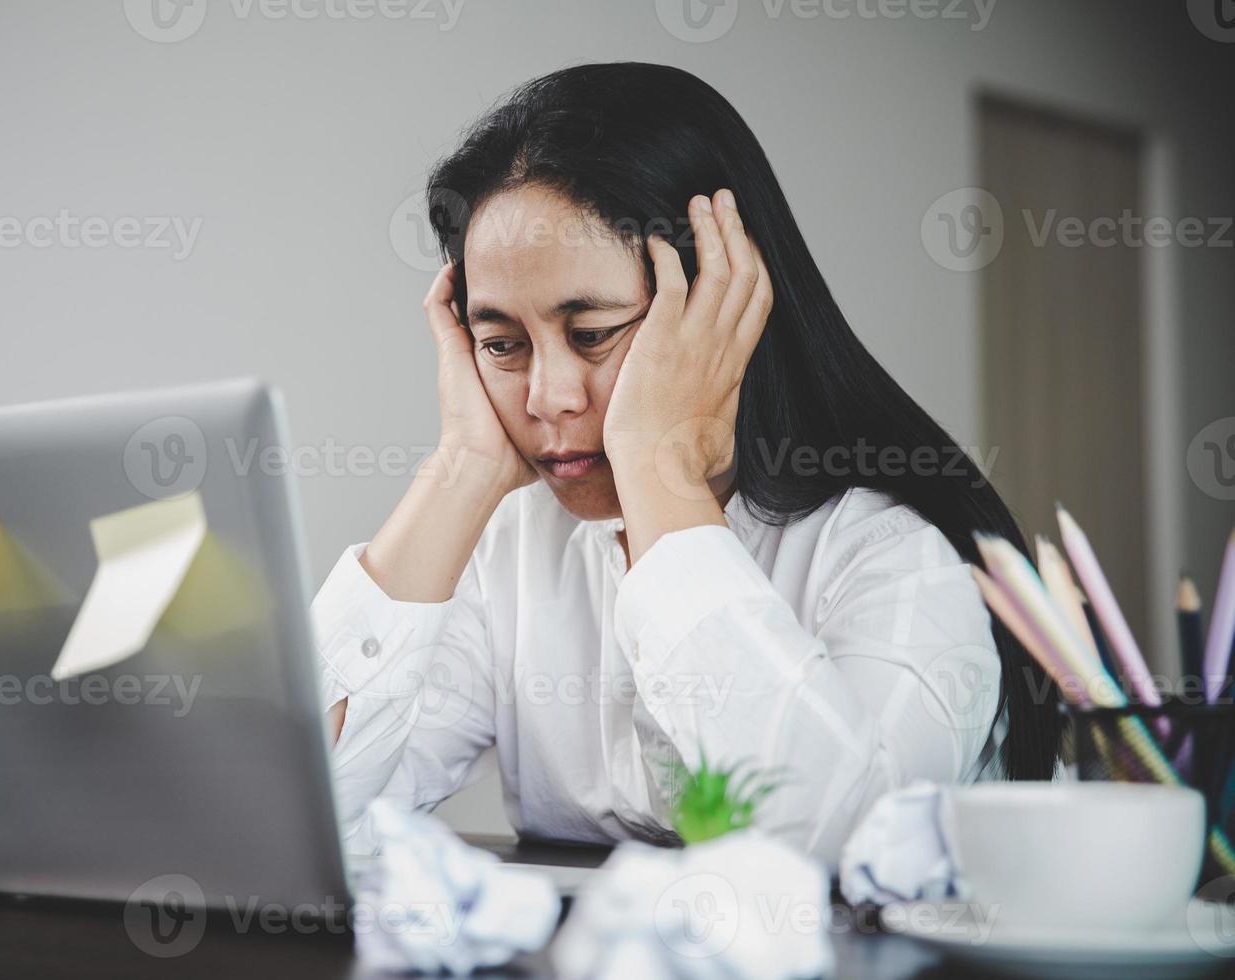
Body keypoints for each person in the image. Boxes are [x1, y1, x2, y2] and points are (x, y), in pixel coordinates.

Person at [311, 62, 1058, 862]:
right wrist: (459, 470)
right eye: (502, 344)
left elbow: (849, 852)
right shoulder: (512, 550)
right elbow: (309, 819)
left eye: (592, 333)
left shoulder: (894, 557)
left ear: (722, 304)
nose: (549, 396)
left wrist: (661, 475)